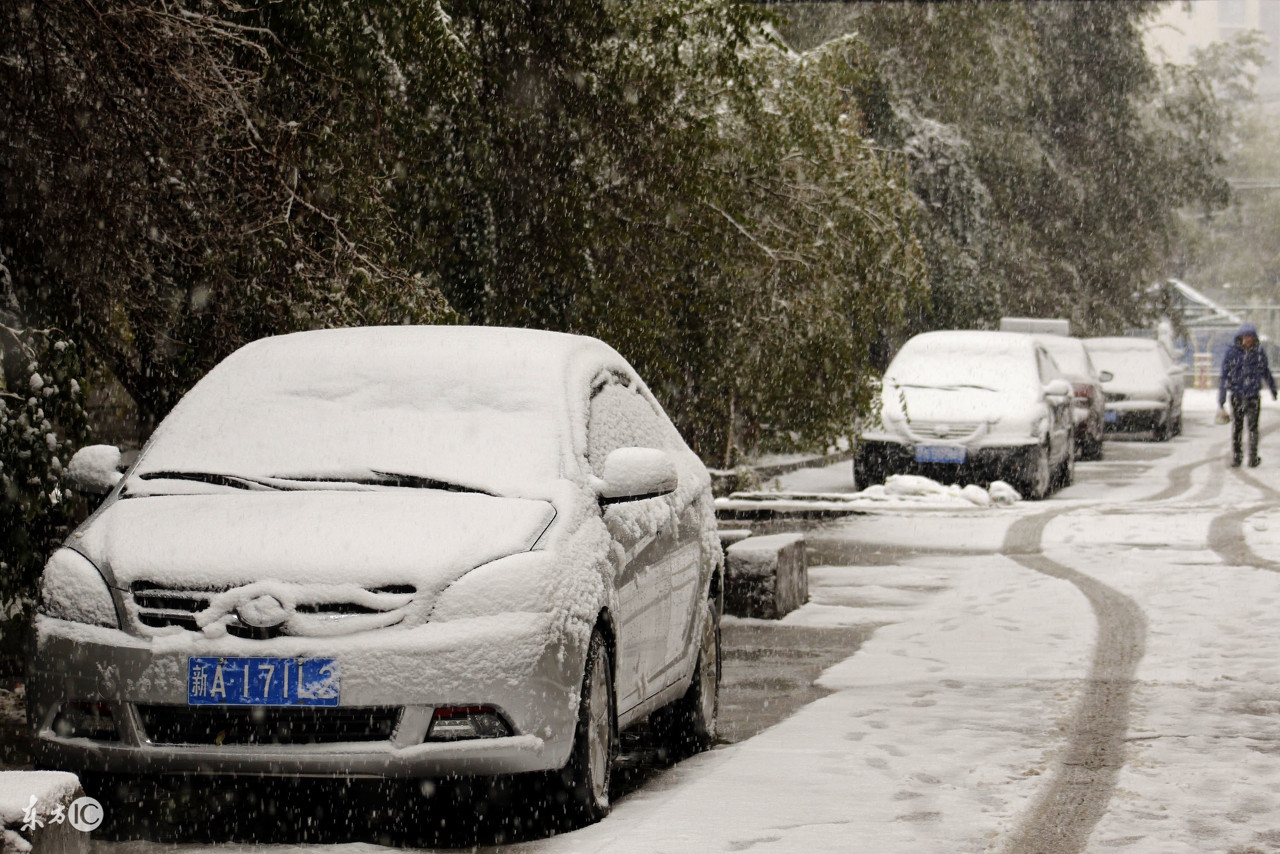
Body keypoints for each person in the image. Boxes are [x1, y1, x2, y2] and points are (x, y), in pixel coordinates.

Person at [1218, 323, 1278, 467]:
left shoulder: (1258, 353)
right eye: (1245, 337)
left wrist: (1273, 389)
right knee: (1237, 428)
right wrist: (1222, 398)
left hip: (1253, 396)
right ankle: (1237, 457)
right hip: (1237, 396)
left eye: (1250, 337)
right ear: (1240, 338)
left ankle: (1253, 456)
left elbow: (1265, 371)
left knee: (1253, 427)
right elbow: (1224, 376)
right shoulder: (1232, 353)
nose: (1247, 340)